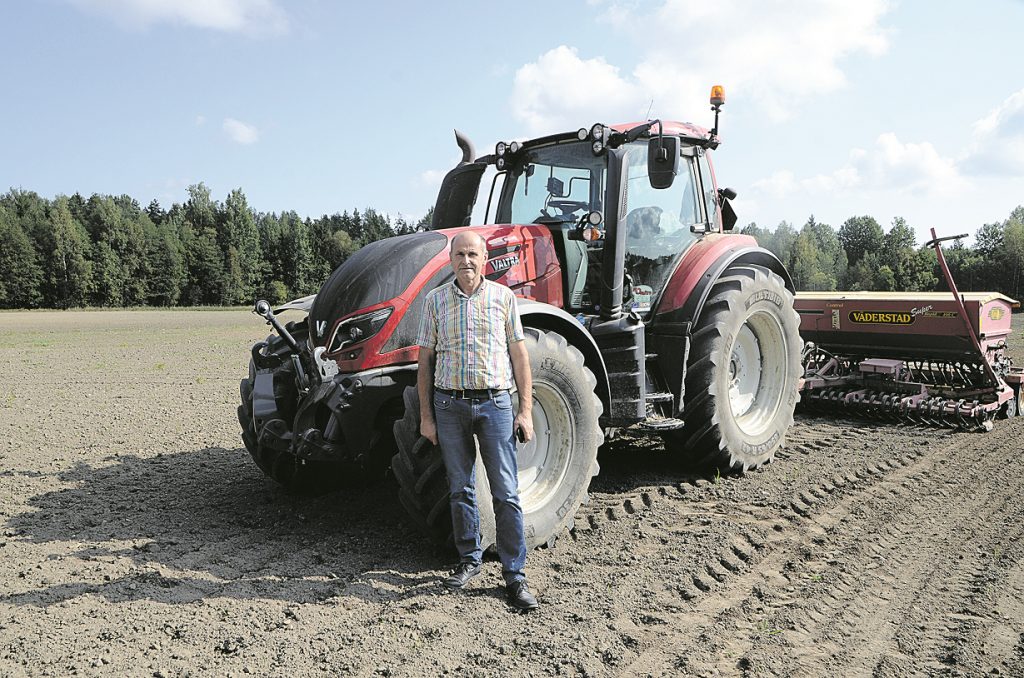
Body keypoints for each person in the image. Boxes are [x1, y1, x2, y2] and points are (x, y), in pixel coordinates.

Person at [415, 230, 539, 611]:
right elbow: (424, 364)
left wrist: (525, 410)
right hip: (449, 406)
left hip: (495, 405)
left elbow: (520, 359)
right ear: (450, 260)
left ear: (484, 259)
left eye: (473, 254)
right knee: (460, 489)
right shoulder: (435, 302)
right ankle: (469, 560)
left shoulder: (503, 299)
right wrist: (426, 418)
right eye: (460, 255)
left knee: (505, 492)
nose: (466, 261)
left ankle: (514, 574)